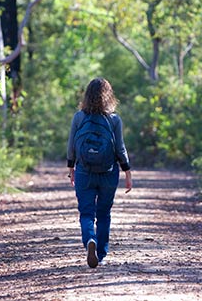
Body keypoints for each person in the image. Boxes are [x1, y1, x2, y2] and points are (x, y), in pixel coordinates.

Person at [67, 77, 133, 268]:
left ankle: (90, 240)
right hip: (108, 172)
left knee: (86, 213)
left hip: (84, 172)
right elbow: (120, 148)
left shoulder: (79, 117)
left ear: (87, 96)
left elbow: (71, 145)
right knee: (104, 213)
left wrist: (71, 167)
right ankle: (101, 254)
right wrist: (127, 171)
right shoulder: (114, 119)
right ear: (108, 96)